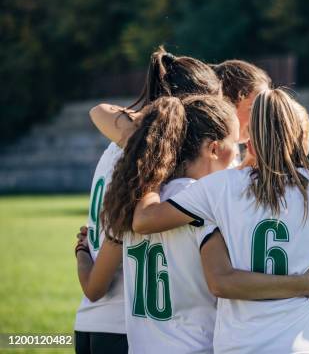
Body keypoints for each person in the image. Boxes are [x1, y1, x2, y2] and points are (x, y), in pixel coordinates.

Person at [131, 88, 309, 353]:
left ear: (252, 137)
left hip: (240, 344)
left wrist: (155, 169)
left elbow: (144, 220)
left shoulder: (221, 186)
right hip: (304, 342)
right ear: (301, 134)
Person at [92, 94, 309, 354]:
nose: (241, 154)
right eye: (236, 147)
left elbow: (93, 284)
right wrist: (304, 284)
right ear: (214, 149)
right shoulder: (203, 203)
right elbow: (223, 281)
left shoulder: (139, 200)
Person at [73, 46, 221, 354]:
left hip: (96, 322)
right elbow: (108, 262)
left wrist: (82, 256)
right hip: (123, 325)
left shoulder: (124, 146)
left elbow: (100, 111)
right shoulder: (153, 166)